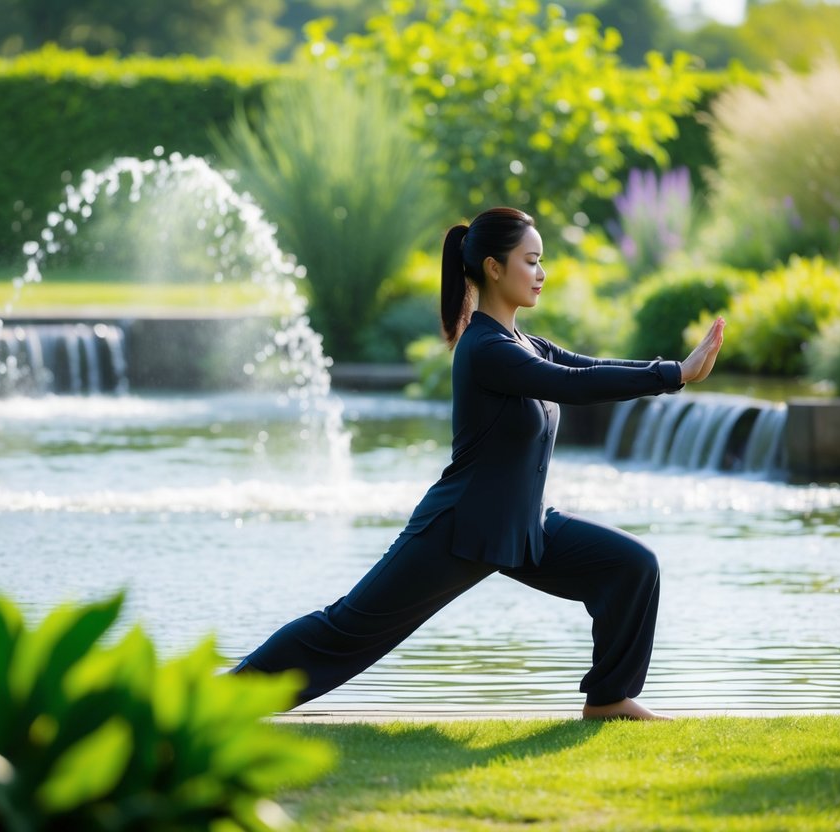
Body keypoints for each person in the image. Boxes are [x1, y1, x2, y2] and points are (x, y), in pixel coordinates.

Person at [233, 207, 725, 720]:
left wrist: (673, 370)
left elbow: (590, 367)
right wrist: (675, 375)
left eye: (541, 262)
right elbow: (573, 387)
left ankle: (609, 699)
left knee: (632, 566)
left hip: (522, 528)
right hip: (460, 528)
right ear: (494, 267)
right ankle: (227, 699)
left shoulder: (523, 343)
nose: (541, 273)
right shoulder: (486, 348)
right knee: (348, 630)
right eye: (530, 261)